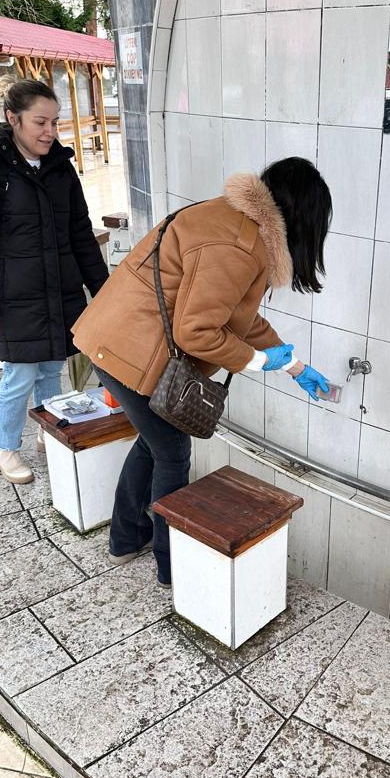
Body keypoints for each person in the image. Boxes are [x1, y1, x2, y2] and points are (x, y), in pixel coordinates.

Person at [72, 157, 332, 586]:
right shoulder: (238, 245)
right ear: (302, 218)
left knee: (155, 443)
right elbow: (196, 332)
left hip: (120, 339)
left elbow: (239, 317)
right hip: (127, 350)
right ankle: (170, 566)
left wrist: (292, 363)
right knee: (172, 450)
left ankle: (125, 539)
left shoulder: (234, 223)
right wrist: (259, 361)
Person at [0, 78, 109, 484]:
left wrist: (103, 288)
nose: (50, 132)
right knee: (19, 373)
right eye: (40, 122)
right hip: (13, 293)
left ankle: (50, 427)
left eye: (55, 123)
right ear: (13, 119)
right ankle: (4, 448)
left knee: (52, 367)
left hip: (58, 288)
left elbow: (80, 231)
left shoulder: (60, 165)